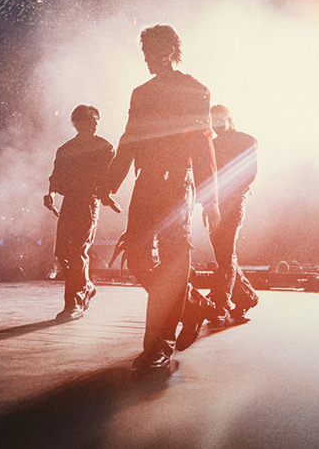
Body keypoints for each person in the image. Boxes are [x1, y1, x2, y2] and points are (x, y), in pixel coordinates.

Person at [101, 25, 219, 371]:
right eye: (144, 54)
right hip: (146, 183)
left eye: (150, 53)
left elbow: (202, 143)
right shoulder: (140, 93)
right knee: (137, 257)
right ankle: (193, 305)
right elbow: (129, 138)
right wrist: (110, 184)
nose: (146, 60)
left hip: (177, 185)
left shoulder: (195, 90)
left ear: (168, 51)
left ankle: (159, 346)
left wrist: (210, 197)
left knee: (173, 262)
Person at [45, 104, 115, 322]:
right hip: (70, 203)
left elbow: (107, 179)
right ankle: (85, 287)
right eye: (89, 122)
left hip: (88, 203)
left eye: (96, 122)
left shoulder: (105, 147)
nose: (94, 126)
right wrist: (51, 195)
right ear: (77, 124)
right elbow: (56, 178)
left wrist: (105, 195)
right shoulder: (65, 149)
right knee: (62, 252)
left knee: (77, 251)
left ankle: (74, 303)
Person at [206, 104, 259, 322]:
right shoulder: (212, 144)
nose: (217, 126)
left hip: (233, 203)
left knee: (225, 253)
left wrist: (228, 197)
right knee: (224, 254)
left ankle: (222, 303)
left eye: (220, 120)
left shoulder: (246, 140)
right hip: (217, 205)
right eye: (213, 122)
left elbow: (250, 173)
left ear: (229, 118)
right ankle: (246, 297)